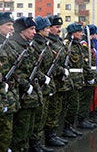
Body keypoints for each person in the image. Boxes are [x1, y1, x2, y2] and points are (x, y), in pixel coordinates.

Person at [9, 16, 44, 152]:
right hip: (21, 95)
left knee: (29, 127)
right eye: (31, 29)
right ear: (22, 30)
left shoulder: (27, 46)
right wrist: (24, 84)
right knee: (20, 130)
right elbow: (13, 71)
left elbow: (34, 69)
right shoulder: (14, 46)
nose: (34, 32)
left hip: (32, 95)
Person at [44, 15, 71, 147]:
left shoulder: (59, 41)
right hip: (53, 81)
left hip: (61, 82)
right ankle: (50, 136)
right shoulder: (48, 43)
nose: (59, 29)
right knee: (52, 111)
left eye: (60, 27)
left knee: (58, 109)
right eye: (56, 27)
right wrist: (60, 70)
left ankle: (55, 133)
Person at [30, 16, 55, 152]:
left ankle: (38, 143)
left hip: (46, 84)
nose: (48, 30)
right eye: (46, 28)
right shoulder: (35, 45)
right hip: (38, 84)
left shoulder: (45, 43)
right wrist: (43, 78)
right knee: (38, 116)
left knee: (43, 115)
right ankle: (34, 144)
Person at [61, 22, 84, 137]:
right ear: (73, 33)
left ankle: (69, 126)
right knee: (71, 105)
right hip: (70, 80)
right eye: (79, 32)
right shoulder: (67, 44)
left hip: (78, 80)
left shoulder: (77, 44)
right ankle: (65, 128)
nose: (81, 34)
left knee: (75, 105)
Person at [0, 12, 18, 152]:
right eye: (8, 25)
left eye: (12, 25)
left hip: (9, 95)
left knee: (7, 131)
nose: (12, 28)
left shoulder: (9, 44)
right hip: (2, 95)